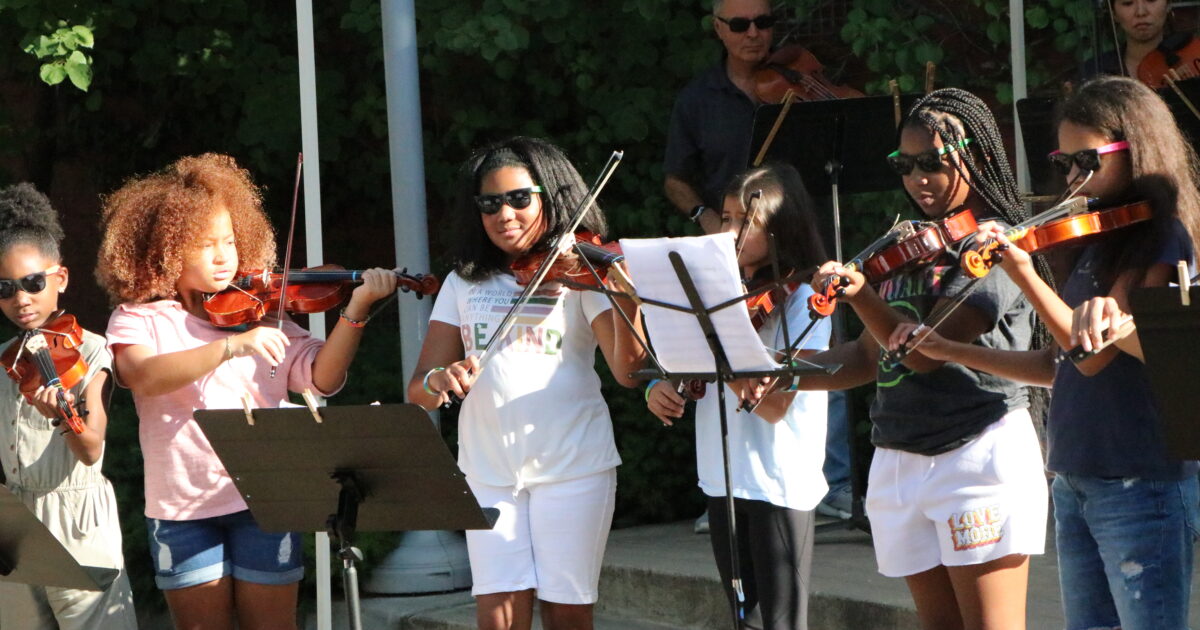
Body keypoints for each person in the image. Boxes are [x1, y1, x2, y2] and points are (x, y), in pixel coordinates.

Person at [893, 75, 1200, 630]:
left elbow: (1092, 353)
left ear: (1137, 150)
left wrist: (1021, 271)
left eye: (1089, 160)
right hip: (1076, 473)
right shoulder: (1093, 240)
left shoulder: (1160, 237)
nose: (1074, 178)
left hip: (1139, 477)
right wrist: (948, 348)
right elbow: (1055, 367)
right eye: (1065, 163)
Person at [762, 88, 1050, 629]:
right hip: (898, 454)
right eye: (906, 164)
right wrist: (780, 371)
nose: (919, 178)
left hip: (976, 452)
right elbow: (867, 358)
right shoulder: (905, 244)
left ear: (978, 159)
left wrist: (861, 294)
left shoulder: (996, 246)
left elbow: (925, 351)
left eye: (934, 163)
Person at [95, 153, 400, 630]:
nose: (222, 257)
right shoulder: (141, 319)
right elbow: (142, 375)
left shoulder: (262, 315)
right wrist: (232, 347)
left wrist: (356, 309)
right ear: (166, 251)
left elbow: (322, 378)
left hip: (266, 497)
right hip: (183, 509)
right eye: (203, 245)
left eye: (230, 241)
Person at [405, 137, 641, 630]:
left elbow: (627, 371)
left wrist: (625, 296)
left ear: (549, 199)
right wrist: (440, 378)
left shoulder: (581, 273)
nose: (504, 214)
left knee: (567, 614)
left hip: (573, 466)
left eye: (518, 199)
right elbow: (418, 389)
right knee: (497, 617)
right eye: (490, 203)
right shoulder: (462, 282)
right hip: (487, 470)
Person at [644, 162, 830, 629]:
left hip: (778, 480)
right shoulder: (717, 295)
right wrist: (660, 385)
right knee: (743, 621)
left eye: (744, 222)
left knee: (782, 623)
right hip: (721, 476)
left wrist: (720, 348)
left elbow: (774, 405)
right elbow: (681, 368)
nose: (727, 231)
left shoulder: (805, 298)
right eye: (725, 218)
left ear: (780, 228)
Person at [0, 183, 136, 629]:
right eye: (5, 288)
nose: (21, 299)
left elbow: (92, 448)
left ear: (60, 278)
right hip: (17, 526)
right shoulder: (5, 360)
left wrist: (61, 414)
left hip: (79, 523)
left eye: (33, 283)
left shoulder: (91, 352)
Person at [664, 0, 775, 235]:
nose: (753, 33)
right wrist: (704, 215)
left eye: (763, 23)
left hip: (798, 232)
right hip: (733, 238)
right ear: (718, 28)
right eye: (739, 25)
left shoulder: (798, 84)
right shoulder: (696, 99)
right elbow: (675, 181)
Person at [1082, 0, 1196, 84]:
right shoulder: (1094, 71)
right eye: (1127, 3)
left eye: (1151, 0)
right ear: (1113, 13)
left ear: (1168, 5)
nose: (1141, 12)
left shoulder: (1194, 57)